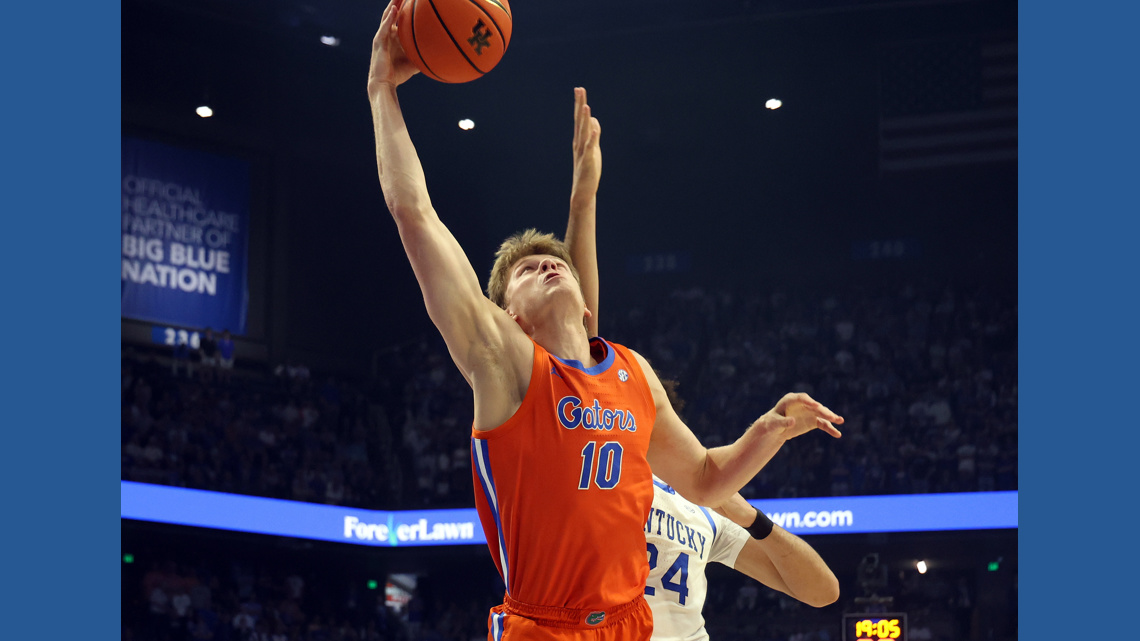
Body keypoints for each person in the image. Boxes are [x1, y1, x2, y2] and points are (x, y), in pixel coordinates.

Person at [367, 4, 843, 639]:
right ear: (509, 317)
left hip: (629, 626)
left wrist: (769, 431)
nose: (547, 267)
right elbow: (414, 212)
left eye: (553, 262)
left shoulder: (629, 372)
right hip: (543, 625)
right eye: (528, 270)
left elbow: (704, 479)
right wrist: (381, 90)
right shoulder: (505, 366)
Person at [564, 87, 839, 641]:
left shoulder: (699, 503)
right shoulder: (589, 468)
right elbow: (577, 342)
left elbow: (822, 592)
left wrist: (742, 512)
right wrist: (582, 201)